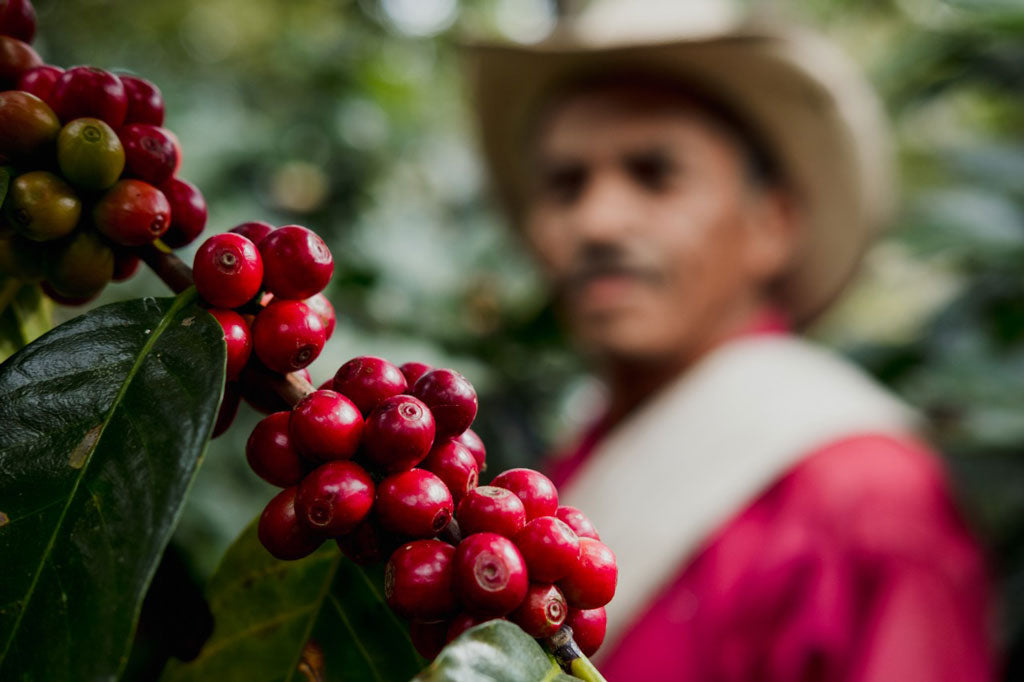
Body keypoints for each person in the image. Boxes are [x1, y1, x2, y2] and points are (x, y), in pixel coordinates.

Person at [464, 1, 996, 680]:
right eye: (566, 186)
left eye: (654, 174)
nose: (597, 221)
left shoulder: (865, 494)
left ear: (773, 222)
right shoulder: (579, 457)